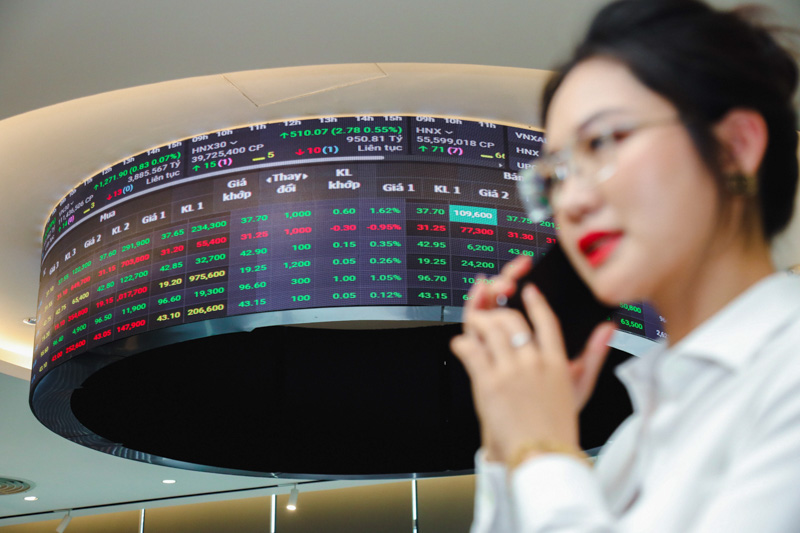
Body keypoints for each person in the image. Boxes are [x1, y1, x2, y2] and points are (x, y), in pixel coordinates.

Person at [449, 0, 800, 531]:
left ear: (733, 146)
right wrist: (507, 446)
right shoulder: (632, 444)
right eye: (557, 175)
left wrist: (539, 449)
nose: (570, 203)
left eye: (602, 142)